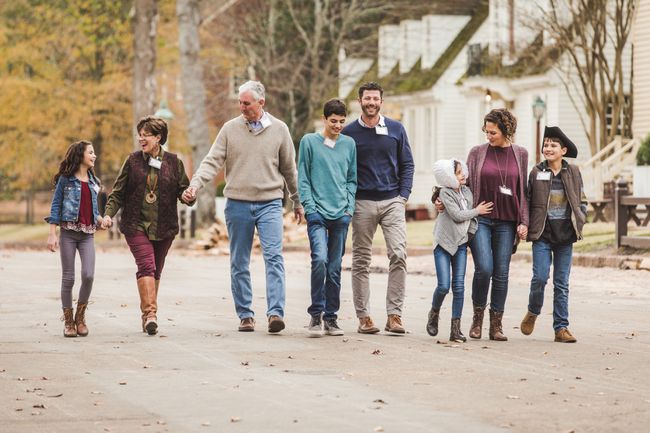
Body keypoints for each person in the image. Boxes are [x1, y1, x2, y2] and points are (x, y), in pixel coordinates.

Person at [182, 80, 304, 334]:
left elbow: (290, 170)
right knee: (239, 261)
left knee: (274, 258)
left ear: (261, 103)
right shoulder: (229, 129)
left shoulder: (280, 130)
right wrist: (195, 185)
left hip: (270, 203)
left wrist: (297, 200)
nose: (241, 107)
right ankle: (246, 315)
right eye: (239, 102)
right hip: (237, 203)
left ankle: (275, 314)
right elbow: (212, 161)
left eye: (246, 103)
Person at [103, 116, 193, 335]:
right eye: (139, 135)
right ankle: (150, 315)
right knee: (146, 266)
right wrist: (108, 215)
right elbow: (117, 192)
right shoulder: (133, 160)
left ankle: (148, 316)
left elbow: (183, 189)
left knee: (156, 270)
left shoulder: (173, 161)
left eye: (146, 135)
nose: (141, 139)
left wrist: (188, 196)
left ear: (158, 138)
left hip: (164, 225)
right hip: (136, 224)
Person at [341, 82, 414, 335]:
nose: (371, 102)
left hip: (392, 200)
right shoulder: (349, 133)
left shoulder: (395, 129)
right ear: (359, 101)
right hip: (362, 202)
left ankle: (395, 315)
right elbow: (344, 170)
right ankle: (364, 317)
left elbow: (407, 164)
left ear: (381, 101)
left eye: (375, 98)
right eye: (367, 98)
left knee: (399, 254)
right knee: (361, 260)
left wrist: (403, 196)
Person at [465, 108, 529, 341]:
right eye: (486, 131)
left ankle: (496, 325)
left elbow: (523, 191)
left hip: (507, 222)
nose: (488, 136)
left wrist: (524, 221)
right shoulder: (477, 153)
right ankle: (477, 318)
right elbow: (463, 183)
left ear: (506, 130)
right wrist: (440, 198)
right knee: (484, 268)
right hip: (481, 219)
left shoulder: (520, 154)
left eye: (493, 132)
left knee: (501, 273)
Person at [520, 126, 587, 343]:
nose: (548, 148)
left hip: (566, 236)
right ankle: (533, 311)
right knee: (540, 277)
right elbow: (527, 201)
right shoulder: (536, 172)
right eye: (545, 145)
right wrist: (524, 224)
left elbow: (582, 199)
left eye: (553, 145)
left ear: (563, 150)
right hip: (542, 234)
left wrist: (582, 216)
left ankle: (561, 328)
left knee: (562, 282)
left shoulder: (574, 172)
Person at [298, 99, 357, 337]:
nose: (338, 126)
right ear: (324, 119)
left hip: (340, 214)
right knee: (319, 260)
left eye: (342, 122)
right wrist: (310, 208)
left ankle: (331, 318)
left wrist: (348, 208)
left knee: (334, 268)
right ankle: (315, 315)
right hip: (317, 214)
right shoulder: (309, 142)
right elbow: (303, 177)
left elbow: (352, 179)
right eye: (333, 121)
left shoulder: (349, 144)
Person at [427, 159, 493, 342]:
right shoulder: (445, 193)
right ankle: (434, 312)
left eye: (461, 171)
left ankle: (455, 329)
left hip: (461, 244)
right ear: (448, 176)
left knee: (459, 287)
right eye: (457, 172)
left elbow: (467, 217)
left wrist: (470, 231)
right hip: (444, 244)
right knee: (443, 286)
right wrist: (477, 211)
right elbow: (457, 216)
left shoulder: (466, 191)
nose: (463, 174)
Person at [46, 140, 103, 338]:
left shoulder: (95, 182)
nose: (94, 156)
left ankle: (80, 317)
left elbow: (93, 211)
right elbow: (55, 207)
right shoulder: (66, 180)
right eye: (91, 152)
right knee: (68, 278)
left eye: (94, 153)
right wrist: (53, 234)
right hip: (68, 234)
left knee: (88, 275)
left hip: (87, 235)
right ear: (80, 155)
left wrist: (101, 219)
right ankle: (69, 322)